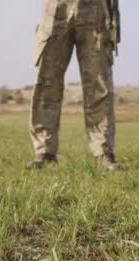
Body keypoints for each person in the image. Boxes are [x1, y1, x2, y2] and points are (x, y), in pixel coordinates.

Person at [28, 0, 121, 170]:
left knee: (99, 85)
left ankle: (103, 152)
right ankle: (44, 152)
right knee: (47, 81)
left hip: (97, 7)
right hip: (57, 6)